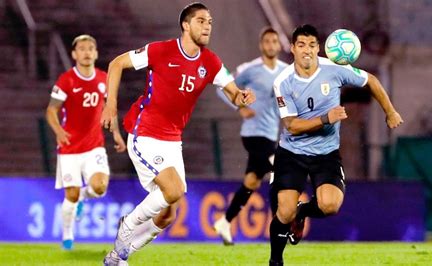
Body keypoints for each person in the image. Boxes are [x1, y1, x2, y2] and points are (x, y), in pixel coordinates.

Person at [100, 3, 255, 265]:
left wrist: (242, 97)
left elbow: (233, 93)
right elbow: (116, 64)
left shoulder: (211, 62)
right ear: (186, 25)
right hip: (145, 132)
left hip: (173, 140)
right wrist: (110, 104)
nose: (207, 26)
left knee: (167, 215)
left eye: (210, 22)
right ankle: (127, 225)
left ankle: (118, 256)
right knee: (174, 190)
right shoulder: (160, 50)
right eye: (201, 21)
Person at [268, 24, 403, 266]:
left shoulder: (334, 69)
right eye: (301, 45)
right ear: (292, 49)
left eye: (311, 45)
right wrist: (325, 118)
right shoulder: (283, 81)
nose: (307, 50)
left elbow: (370, 80)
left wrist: (390, 111)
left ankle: (303, 212)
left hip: (326, 154)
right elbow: (291, 126)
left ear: (319, 48)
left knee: (330, 206)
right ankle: (275, 261)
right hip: (292, 153)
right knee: (284, 211)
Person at [45, 34, 126, 250]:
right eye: (82, 48)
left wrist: (116, 134)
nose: (87, 52)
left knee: (99, 187)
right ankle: (67, 235)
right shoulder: (66, 80)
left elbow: (110, 110)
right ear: (74, 54)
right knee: (69, 195)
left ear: (96, 53)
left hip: (94, 146)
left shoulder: (103, 79)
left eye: (91, 48)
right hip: (69, 148)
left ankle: (84, 194)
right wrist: (58, 131)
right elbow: (51, 110)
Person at [213, 27, 288, 245]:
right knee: (279, 167)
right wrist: (240, 108)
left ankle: (225, 222)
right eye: (267, 41)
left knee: (252, 182)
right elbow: (222, 88)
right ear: (261, 45)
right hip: (253, 133)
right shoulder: (250, 69)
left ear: (278, 45)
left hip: (272, 133)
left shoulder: (286, 71)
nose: (271, 45)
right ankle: (281, 226)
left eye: (275, 41)